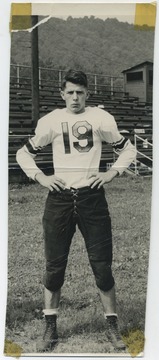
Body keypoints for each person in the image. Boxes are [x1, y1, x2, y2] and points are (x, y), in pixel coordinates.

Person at [16, 69, 136, 353]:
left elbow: (128, 150)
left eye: (80, 92)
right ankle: (50, 326)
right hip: (59, 199)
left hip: (91, 198)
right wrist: (42, 178)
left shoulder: (100, 118)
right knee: (54, 266)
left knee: (102, 265)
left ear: (87, 94)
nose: (74, 97)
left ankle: (111, 326)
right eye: (69, 92)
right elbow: (23, 153)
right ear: (62, 94)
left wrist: (111, 173)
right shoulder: (51, 121)